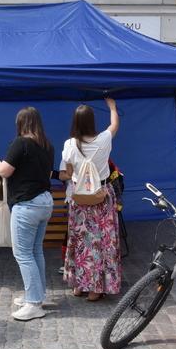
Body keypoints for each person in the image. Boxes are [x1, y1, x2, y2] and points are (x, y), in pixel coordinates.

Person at [0, 107, 54, 321]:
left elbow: (4, 171)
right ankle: (37, 295)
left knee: (23, 254)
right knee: (35, 251)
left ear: (20, 124)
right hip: (44, 202)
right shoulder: (47, 146)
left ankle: (33, 303)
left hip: (27, 205)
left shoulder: (21, 143)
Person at [59, 99, 121, 301]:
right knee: (100, 242)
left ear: (75, 122)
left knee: (80, 242)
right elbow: (114, 124)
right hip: (101, 196)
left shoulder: (69, 144)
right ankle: (96, 288)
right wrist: (112, 107)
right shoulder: (103, 140)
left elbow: (67, 174)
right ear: (92, 121)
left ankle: (78, 285)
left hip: (80, 199)